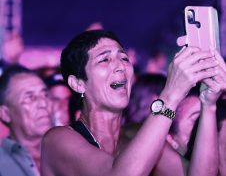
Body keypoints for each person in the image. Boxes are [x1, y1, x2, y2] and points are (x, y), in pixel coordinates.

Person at [41, 30, 224, 176]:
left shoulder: (138, 135)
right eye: (104, 59)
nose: (120, 65)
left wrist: (208, 104)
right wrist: (170, 94)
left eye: (124, 58)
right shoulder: (58, 139)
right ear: (78, 83)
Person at [0, 65, 54, 176]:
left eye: (45, 95)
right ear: (5, 113)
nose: (44, 104)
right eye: (30, 97)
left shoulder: (73, 153)